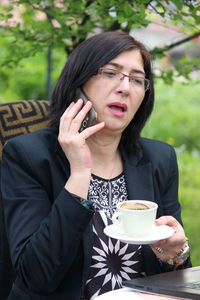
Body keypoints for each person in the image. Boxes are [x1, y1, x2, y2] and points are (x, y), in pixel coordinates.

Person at [1, 31, 191, 300]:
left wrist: (175, 256)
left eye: (137, 80)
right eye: (110, 73)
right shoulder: (28, 156)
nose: (125, 87)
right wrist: (79, 174)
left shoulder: (159, 158)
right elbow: (37, 277)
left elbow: (178, 279)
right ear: (79, 84)